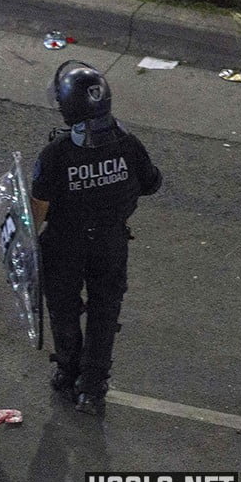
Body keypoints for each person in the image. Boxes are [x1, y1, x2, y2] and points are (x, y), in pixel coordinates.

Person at [30, 61, 162, 415]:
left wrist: (28, 244)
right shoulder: (128, 144)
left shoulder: (56, 153)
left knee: (63, 308)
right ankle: (92, 388)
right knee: (104, 312)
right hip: (110, 242)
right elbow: (151, 183)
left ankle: (67, 371)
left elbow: (38, 205)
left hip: (63, 244)